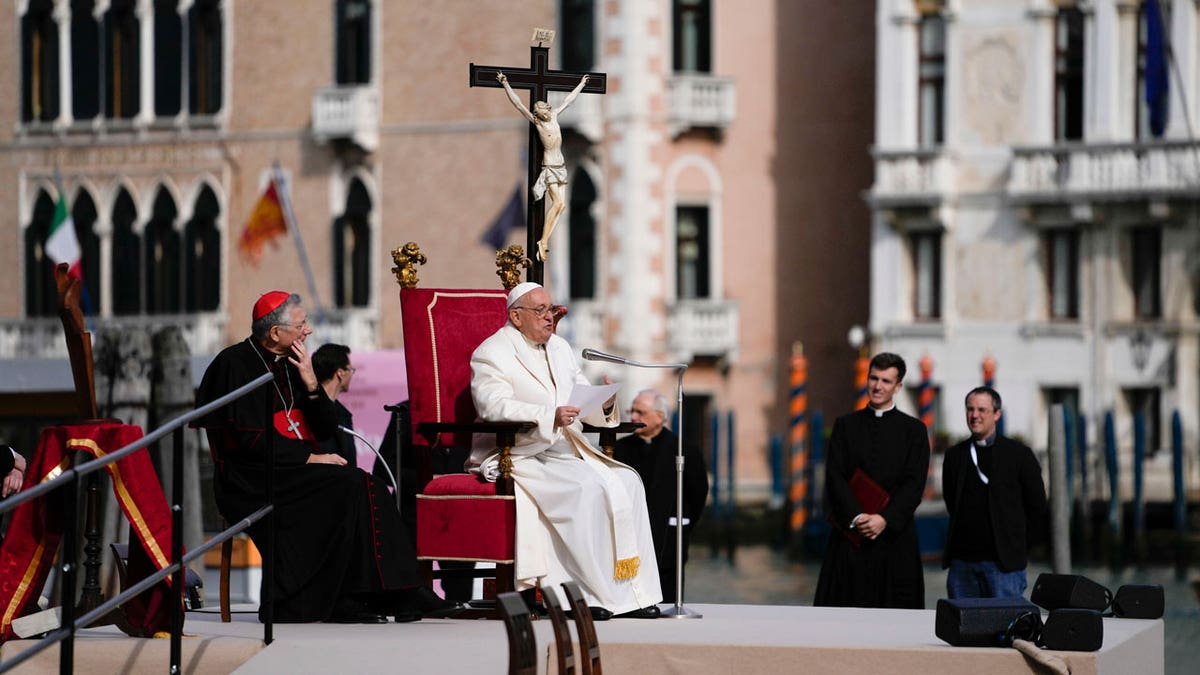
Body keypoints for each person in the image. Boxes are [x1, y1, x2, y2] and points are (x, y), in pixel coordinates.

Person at [193, 291, 463, 624]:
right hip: (249, 478)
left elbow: (323, 429)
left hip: (288, 470)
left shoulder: (293, 365)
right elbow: (250, 441)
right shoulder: (233, 364)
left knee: (368, 486)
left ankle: (377, 596)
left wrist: (309, 382)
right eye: (301, 324)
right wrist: (309, 459)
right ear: (275, 333)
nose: (308, 331)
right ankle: (383, 595)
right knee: (352, 485)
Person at [469, 282, 663, 619]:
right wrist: (548, 415)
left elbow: (581, 393)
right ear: (516, 316)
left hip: (564, 449)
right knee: (586, 490)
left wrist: (604, 402)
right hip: (519, 452)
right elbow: (492, 405)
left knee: (628, 481)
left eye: (551, 309)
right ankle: (586, 596)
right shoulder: (492, 352)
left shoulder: (559, 347)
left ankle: (632, 594)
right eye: (541, 311)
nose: (550, 317)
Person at [814, 352, 930, 609]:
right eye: (874, 378)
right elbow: (834, 476)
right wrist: (857, 517)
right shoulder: (845, 425)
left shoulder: (914, 431)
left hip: (894, 540)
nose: (878, 386)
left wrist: (884, 519)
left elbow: (914, 484)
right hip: (850, 538)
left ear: (898, 387)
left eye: (886, 381)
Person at [942, 387, 1048, 599]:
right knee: (961, 630)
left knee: (1006, 629)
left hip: (1004, 566)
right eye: (970, 409)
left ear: (997, 414)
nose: (975, 415)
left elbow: (1037, 506)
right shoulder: (955, 455)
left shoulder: (1019, 455)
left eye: (982, 409)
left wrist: (1018, 547)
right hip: (963, 565)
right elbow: (951, 501)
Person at [612, 390, 708, 604]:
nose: (634, 417)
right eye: (632, 411)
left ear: (660, 416)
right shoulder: (621, 448)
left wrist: (684, 523)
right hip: (631, 536)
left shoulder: (684, 449)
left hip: (669, 535)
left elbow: (698, 492)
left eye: (640, 412)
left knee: (668, 597)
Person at [496, 71, 589, 262]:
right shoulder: (538, 123)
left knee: (562, 206)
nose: (541, 112)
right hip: (550, 166)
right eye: (538, 111)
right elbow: (519, 105)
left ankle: (544, 239)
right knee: (557, 203)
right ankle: (543, 241)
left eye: (542, 109)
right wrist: (506, 84)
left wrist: (581, 84)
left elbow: (569, 101)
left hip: (561, 165)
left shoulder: (554, 116)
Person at [311, 343, 357, 467]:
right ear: (340, 373)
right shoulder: (310, 409)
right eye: (350, 370)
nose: (352, 374)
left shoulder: (343, 414)